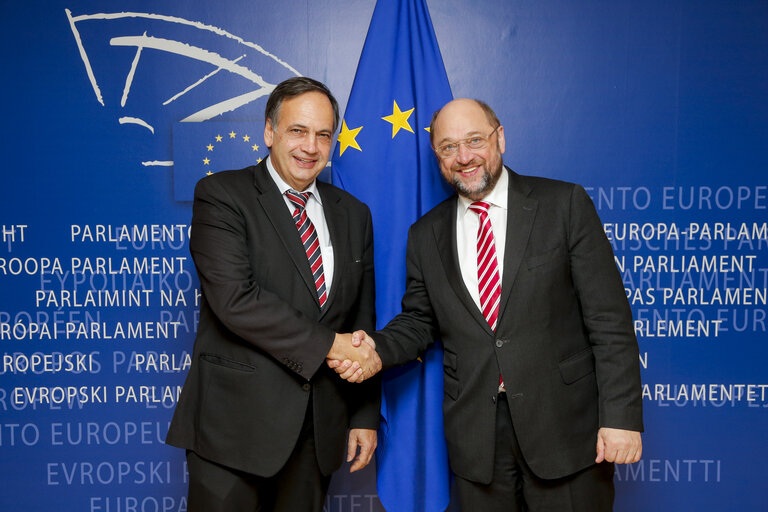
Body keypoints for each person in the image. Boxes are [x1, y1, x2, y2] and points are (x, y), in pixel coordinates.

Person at [331, 98, 643, 511]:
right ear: (437, 156)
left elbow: (609, 321)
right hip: (477, 442)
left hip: (567, 432)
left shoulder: (563, 205)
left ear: (500, 139)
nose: (464, 157)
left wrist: (620, 418)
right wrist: (372, 350)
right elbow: (420, 322)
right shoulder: (426, 235)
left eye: (474, 140)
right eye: (448, 147)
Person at [166, 77, 382, 512]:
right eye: (297, 131)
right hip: (233, 432)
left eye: (323, 134)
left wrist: (362, 415)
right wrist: (331, 346)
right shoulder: (223, 195)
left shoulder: (353, 214)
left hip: (316, 431)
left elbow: (359, 316)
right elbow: (236, 301)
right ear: (269, 132)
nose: (311, 146)